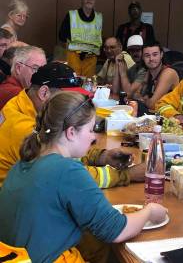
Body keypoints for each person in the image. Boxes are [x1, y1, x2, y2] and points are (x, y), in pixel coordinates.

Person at [0, 90, 167, 262]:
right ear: (71, 132)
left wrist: (99, 156)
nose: (93, 137)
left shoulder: (27, 160)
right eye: (90, 129)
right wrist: (150, 211)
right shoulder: (67, 171)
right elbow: (116, 230)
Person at [0, 62, 146, 188]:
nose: (74, 104)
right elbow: (69, 175)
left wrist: (101, 157)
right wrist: (127, 175)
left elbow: (62, 152)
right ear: (44, 93)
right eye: (67, 98)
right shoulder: (23, 127)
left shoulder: (21, 105)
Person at [59, 0, 102, 77]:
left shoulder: (99, 17)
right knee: (74, 82)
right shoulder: (72, 15)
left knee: (88, 86)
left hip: (91, 58)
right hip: (74, 56)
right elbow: (62, 36)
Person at [128, 42, 179, 114]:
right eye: (147, 55)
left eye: (155, 55)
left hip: (170, 116)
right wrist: (144, 99)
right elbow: (134, 94)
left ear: (161, 55)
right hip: (155, 115)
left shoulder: (168, 73)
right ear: (142, 57)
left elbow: (153, 104)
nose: (151, 59)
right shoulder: (148, 72)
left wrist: (144, 99)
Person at [0, 45, 46, 110]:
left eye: (44, 70)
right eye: (35, 69)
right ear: (18, 68)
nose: (41, 75)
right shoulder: (16, 94)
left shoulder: (10, 86)